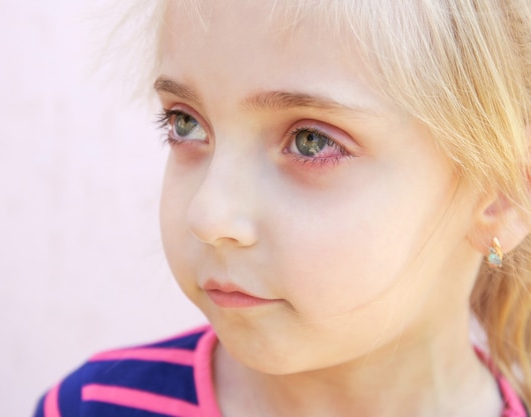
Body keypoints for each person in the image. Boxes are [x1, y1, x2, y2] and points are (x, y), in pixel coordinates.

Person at [34, 0, 531, 416]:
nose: (209, 217)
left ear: (501, 194)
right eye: (186, 124)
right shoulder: (91, 407)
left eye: (311, 141)